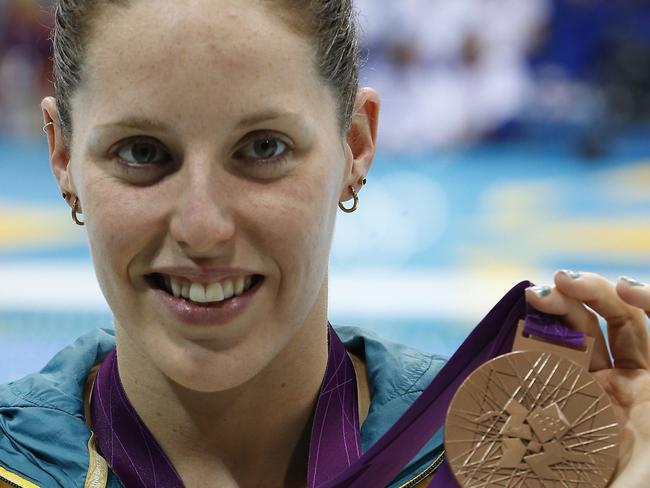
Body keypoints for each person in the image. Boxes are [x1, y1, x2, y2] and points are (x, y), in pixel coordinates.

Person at [1, 0, 649, 487]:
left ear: (356, 145)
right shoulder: (17, 461)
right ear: (61, 154)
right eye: (141, 152)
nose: (202, 227)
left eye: (263, 149)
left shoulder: (498, 459)